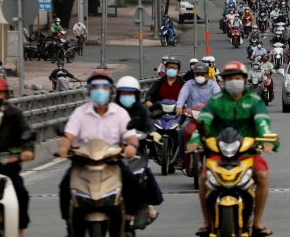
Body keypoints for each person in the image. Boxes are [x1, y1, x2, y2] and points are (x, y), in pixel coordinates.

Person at [186, 62, 279, 237]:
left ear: (244, 80)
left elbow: (263, 123)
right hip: (218, 154)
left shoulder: (255, 101)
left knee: (262, 175)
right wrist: (196, 139)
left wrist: (268, 140)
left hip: (248, 153)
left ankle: (257, 222)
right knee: (204, 177)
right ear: (224, 81)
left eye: (237, 78)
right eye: (229, 78)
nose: (233, 81)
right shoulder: (215, 101)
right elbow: (203, 121)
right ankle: (207, 222)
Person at [57, 71, 141, 237]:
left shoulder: (119, 113)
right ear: (89, 91)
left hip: (111, 162)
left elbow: (131, 136)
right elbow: (68, 136)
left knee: (132, 183)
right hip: (82, 162)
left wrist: (131, 146)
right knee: (64, 185)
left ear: (111, 91)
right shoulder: (80, 112)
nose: (100, 91)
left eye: (104, 88)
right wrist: (64, 147)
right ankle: (68, 225)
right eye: (95, 87)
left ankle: (128, 223)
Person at [0, 77, 34, 237]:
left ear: (5, 95)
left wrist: (27, 151)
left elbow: (27, 133)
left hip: (7, 168)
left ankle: (18, 231)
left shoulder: (15, 114)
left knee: (21, 193)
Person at [114, 76, 163, 221]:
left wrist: (153, 132)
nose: (127, 97)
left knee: (146, 172)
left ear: (136, 95)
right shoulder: (113, 110)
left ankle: (149, 203)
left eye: (130, 93)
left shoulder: (142, 110)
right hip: (115, 151)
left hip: (138, 150)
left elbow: (149, 122)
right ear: (118, 94)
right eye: (124, 93)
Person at [175, 63, 221, 170]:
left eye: (202, 74)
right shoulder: (188, 84)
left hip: (209, 118)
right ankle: (182, 159)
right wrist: (179, 107)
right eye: (197, 74)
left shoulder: (213, 85)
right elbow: (182, 96)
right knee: (182, 130)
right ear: (194, 75)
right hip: (192, 117)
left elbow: (218, 99)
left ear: (207, 75)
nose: (200, 76)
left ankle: (217, 157)